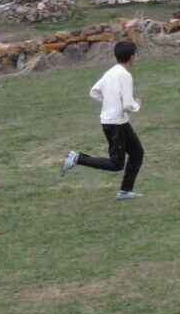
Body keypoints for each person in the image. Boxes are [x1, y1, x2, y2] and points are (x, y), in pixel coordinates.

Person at [59, 40, 145, 201]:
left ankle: (125, 191)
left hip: (117, 122)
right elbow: (127, 104)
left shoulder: (111, 72)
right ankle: (77, 158)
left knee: (137, 153)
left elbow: (94, 92)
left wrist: (110, 102)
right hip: (115, 125)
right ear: (132, 57)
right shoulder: (125, 75)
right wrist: (137, 105)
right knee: (116, 164)